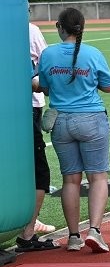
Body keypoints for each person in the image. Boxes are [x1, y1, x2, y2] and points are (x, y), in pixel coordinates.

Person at [37, 8, 110, 253]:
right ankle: (95, 230)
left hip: (61, 120)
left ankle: (73, 236)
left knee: (70, 180)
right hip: (91, 117)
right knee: (97, 177)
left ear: (60, 27)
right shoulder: (92, 53)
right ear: (82, 27)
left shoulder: (48, 53)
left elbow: (45, 87)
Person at [15, 20, 60, 253]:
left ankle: (27, 221)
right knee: (39, 171)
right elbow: (44, 67)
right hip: (27, 108)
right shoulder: (29, 29)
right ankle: (27, 231)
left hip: (14, 108)